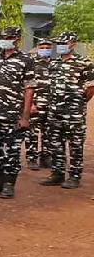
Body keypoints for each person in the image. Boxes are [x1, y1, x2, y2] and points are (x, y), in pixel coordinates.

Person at [0, 27, 35, 199]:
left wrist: (25, 116)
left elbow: (29, 89)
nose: (4, 40)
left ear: (17, 39)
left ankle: (9, 184)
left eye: (8, 37)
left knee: (11, 150)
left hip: (12, 114)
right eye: (2, 37)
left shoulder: (25, 60)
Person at [40, 32, 94, 190]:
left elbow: (90, 88)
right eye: (59, 43)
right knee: (55, 144)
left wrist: (79, 102)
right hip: (55, 112)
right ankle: (57, 174)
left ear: (73, 44)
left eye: (64, 43)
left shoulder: (84, 63)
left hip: (74, 113)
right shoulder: (54, 63)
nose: (61, 46)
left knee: (75, 145)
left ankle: (75, 176)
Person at [26, 39, 53, 171]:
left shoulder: (55, 64)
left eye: (47, 47)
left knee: (48, 133)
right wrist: (30, 104)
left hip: (52, 105)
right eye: (42, 46)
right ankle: (31, 157)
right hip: (36, 105)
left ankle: (45, 158)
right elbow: (26, 86)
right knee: (32, 133)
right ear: (37, 48)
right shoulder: (32, 64)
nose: (45, 48)